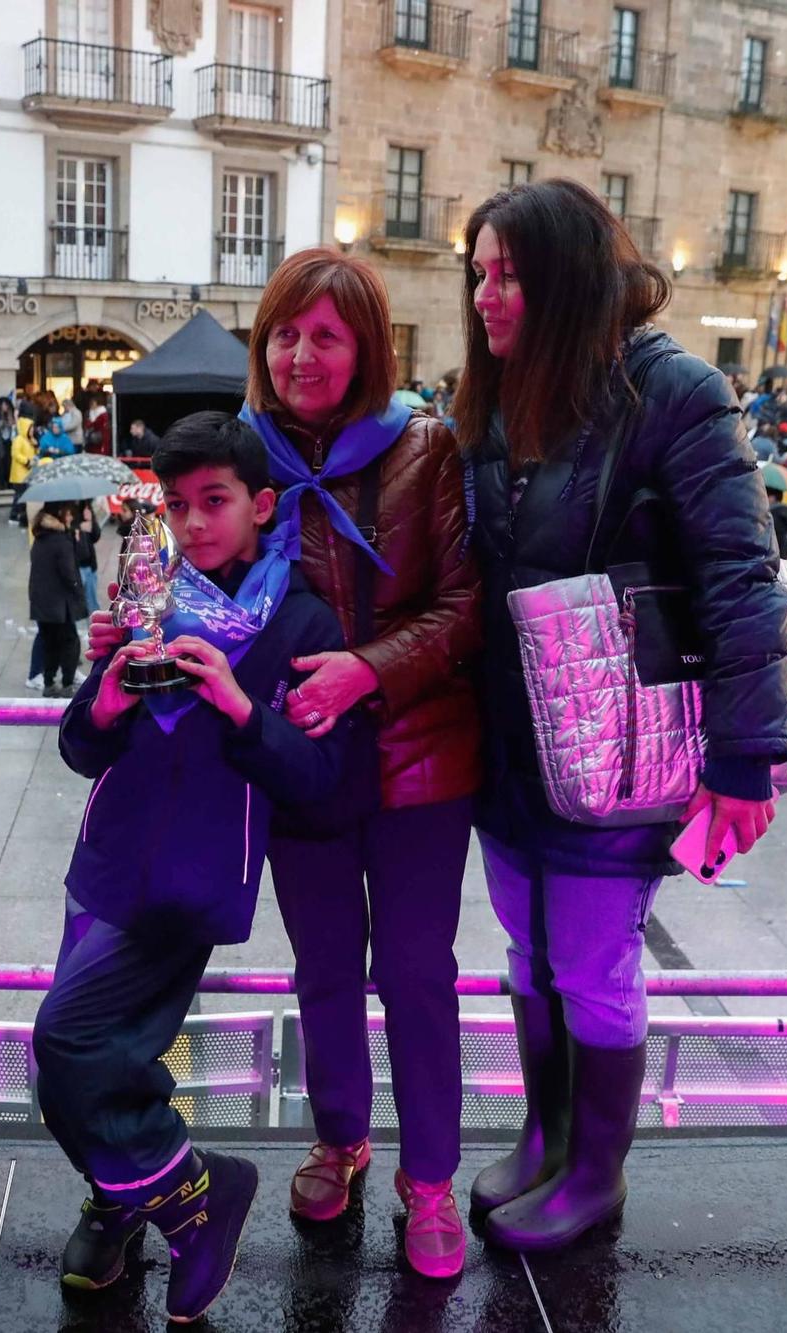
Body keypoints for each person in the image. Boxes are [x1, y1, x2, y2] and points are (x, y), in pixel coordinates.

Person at [460, 181, 787, 1253]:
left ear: (564, 278)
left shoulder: (672, 394)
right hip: (512, 740)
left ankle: (592, 1171)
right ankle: (547, 1135)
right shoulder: (501, 397)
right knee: (524, 946)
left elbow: (740, 576)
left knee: (592, 957)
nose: (484, 295)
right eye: (476, 272)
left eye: (506, 273)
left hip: (621, 744)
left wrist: (743, 756)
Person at [38, 412, 353, 1321]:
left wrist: (239, 704)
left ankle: (200, 1189)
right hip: (102, 861)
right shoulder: (152, 593)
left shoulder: (300, 618)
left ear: (260, 504)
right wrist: (99, 703)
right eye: (176, 504)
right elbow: (80, 750)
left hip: (189, 880)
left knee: (70, 1039)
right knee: (85, 1062)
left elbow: (322, 777)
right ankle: (125, 1204)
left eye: (215, 501)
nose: (195, 522)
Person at [234, 247, 479, 1277]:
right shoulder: (241, 456)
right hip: (304, 761)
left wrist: (365, 671)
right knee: (324, 970)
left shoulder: (427, 448)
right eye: (284, 334)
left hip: (420, 758)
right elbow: (207, 589)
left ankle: (428, 1181)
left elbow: (466, 607)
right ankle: (338, 1138)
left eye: (324, 336)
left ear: (366, 346)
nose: (300, 355)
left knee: (417, 974)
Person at [29, 501, 86, 697]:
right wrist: (79, 593)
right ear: (60, 514)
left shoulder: (40, 537)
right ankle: (68, 683)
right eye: (68, 513)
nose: (70, 517)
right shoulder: (61, 541)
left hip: (42, 602)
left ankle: (49, 682)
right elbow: (69, 574)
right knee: (71, 642)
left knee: (50, 643)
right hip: (60, 604)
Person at [0, 394, 17, 487]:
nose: (4, 407)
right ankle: (1, 483)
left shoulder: (12, 415)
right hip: (1, 443)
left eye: (6, 405)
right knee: (1, 463)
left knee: (10, 463)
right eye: (3, 405)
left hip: (11, 442)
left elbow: (16, 427)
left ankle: (9, 482)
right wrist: (2, 422)